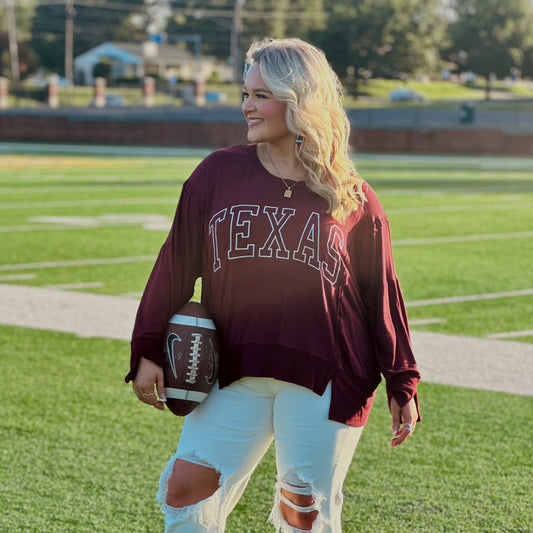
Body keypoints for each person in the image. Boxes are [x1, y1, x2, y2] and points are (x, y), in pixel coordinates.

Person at [126, 37, 421, 533]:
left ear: (299, 99)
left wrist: (401, 378)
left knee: (302, 512)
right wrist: (148, 347)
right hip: (234, 366)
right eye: (245, 93)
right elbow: (175, 264)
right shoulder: (217, 174)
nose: (247, 106)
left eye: (260, 95)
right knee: (186, 486)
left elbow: (381, 292)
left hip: (324, 374)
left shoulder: (351, 194)